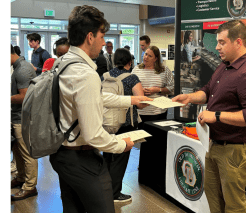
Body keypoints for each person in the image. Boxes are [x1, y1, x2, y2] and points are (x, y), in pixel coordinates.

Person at [48, 5, 151, 213]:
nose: (104, 42)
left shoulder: (62, 62)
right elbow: (94, 135)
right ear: (90, 37)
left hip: (61, 152)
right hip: (82, 159)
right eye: (102, 35)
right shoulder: (85, 74)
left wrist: (130, 100)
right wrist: (122, 144)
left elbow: (93, 97)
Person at [172, 20, 246, 213]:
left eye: (222, 42)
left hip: (235, 149)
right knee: (213, 196)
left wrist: (215, 115)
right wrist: (189, 97)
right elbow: (208, 91)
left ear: (238, 42)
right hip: (215, 144)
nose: (216, 47)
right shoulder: (225, 65)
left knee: (233, 204)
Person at [103, 48, 145, 203]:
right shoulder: (132, 77)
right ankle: (115, 194)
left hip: (107, 123)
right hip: (126, 123)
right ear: (130, 61)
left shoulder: (105, 76)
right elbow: (140, 104)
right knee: (120, 159)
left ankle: (105, 189)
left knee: (107, 156)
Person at [11, 44, 38, 201]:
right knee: (18, 151)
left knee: (27, 153)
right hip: (16, 117)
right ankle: (21, 178)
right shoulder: (18, 66)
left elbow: (25, 96)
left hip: (23, 118)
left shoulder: (23, 69)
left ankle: (30, 186)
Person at [132, 45, 174, 126]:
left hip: (158, 112)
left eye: (150, 56)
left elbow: (172, 88)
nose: (146, 57)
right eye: (145, 54)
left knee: (157, 137)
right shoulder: (136, 69)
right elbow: (130, 87)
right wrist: (139, 91)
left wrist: (158, 90)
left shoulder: (164, 70)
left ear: (156, 59)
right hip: (140, 112)